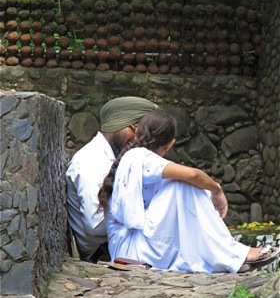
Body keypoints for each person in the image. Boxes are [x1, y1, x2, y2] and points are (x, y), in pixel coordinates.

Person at [98, 111, 280, 273]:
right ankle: (232, 253)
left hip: (133, 247)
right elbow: (194, 174)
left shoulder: (135, 157)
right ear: (171, 144)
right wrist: (217, 191)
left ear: (138, 132)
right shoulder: (141, 158)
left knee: (185, 184)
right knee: (183, 184)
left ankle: (224, 253)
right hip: (133, 250)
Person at [66, 96, 159, 263]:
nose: (139, 140)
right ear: (119, 124)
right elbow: (94, 225)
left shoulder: (115, 157)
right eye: (137, 130)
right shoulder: (91, 161)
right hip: (103, 253)